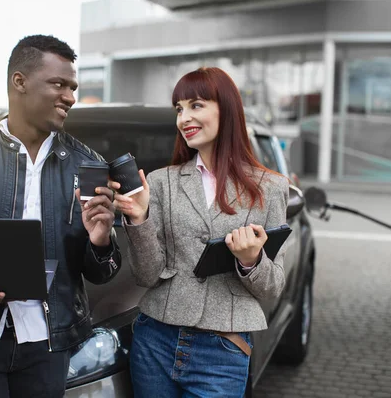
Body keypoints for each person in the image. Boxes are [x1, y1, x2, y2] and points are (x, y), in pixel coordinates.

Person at [0, 35, 122, 398]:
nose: (70, 97)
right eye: (59, 84)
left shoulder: (89, 165)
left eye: (73, 87)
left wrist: (101, 239)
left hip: (49, 345)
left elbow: (103, 272)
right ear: (20, 82)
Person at [110, 67, 289, 398]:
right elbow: (147, 275)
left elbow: (274, 286)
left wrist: (251, 261)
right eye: (179, 108)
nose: (183, 118)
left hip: (223, 351)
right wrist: (139, 219)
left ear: (227, 109)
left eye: (195, 105)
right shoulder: (161, 182)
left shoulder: (271, 187)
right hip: (155, 341)